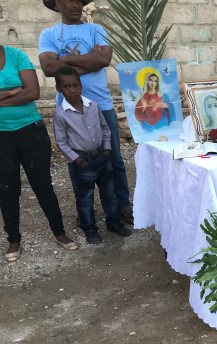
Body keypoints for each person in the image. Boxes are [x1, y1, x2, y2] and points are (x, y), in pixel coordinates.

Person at [39, 0, 133, 225]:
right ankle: (85, 213)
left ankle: (122, 206)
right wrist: (90, 61)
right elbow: (49, 68)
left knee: (114, 159)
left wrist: (64, 59)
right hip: (69, 110)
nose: (75, 4)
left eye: (78, 1)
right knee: (76, 161)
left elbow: (104, 59)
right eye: (69, 0)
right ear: (57, 4)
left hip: (101, 105)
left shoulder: (95, 29)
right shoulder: (49, 34)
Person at [0, 45, 78, 262]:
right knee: (7, 188)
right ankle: (14, 239)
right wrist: (14, 91)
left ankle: (59, 232)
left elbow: (33, 92)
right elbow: (24, 91)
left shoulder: (16, 55)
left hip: (30, 130)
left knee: (43, 185)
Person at [53, 66, 132, 244]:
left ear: (81, 86)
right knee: (85, 198)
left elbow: (105, 128)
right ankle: (90, 229)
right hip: (82, 162)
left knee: (110, 193)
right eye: (66, 87)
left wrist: (107, 150)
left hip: (102, 157)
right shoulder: (60, 114)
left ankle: (114, 222)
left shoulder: (93, 106)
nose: (72, 90)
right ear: (59, 89)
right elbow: (61, 142)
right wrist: (77, 160)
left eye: (75, 85)